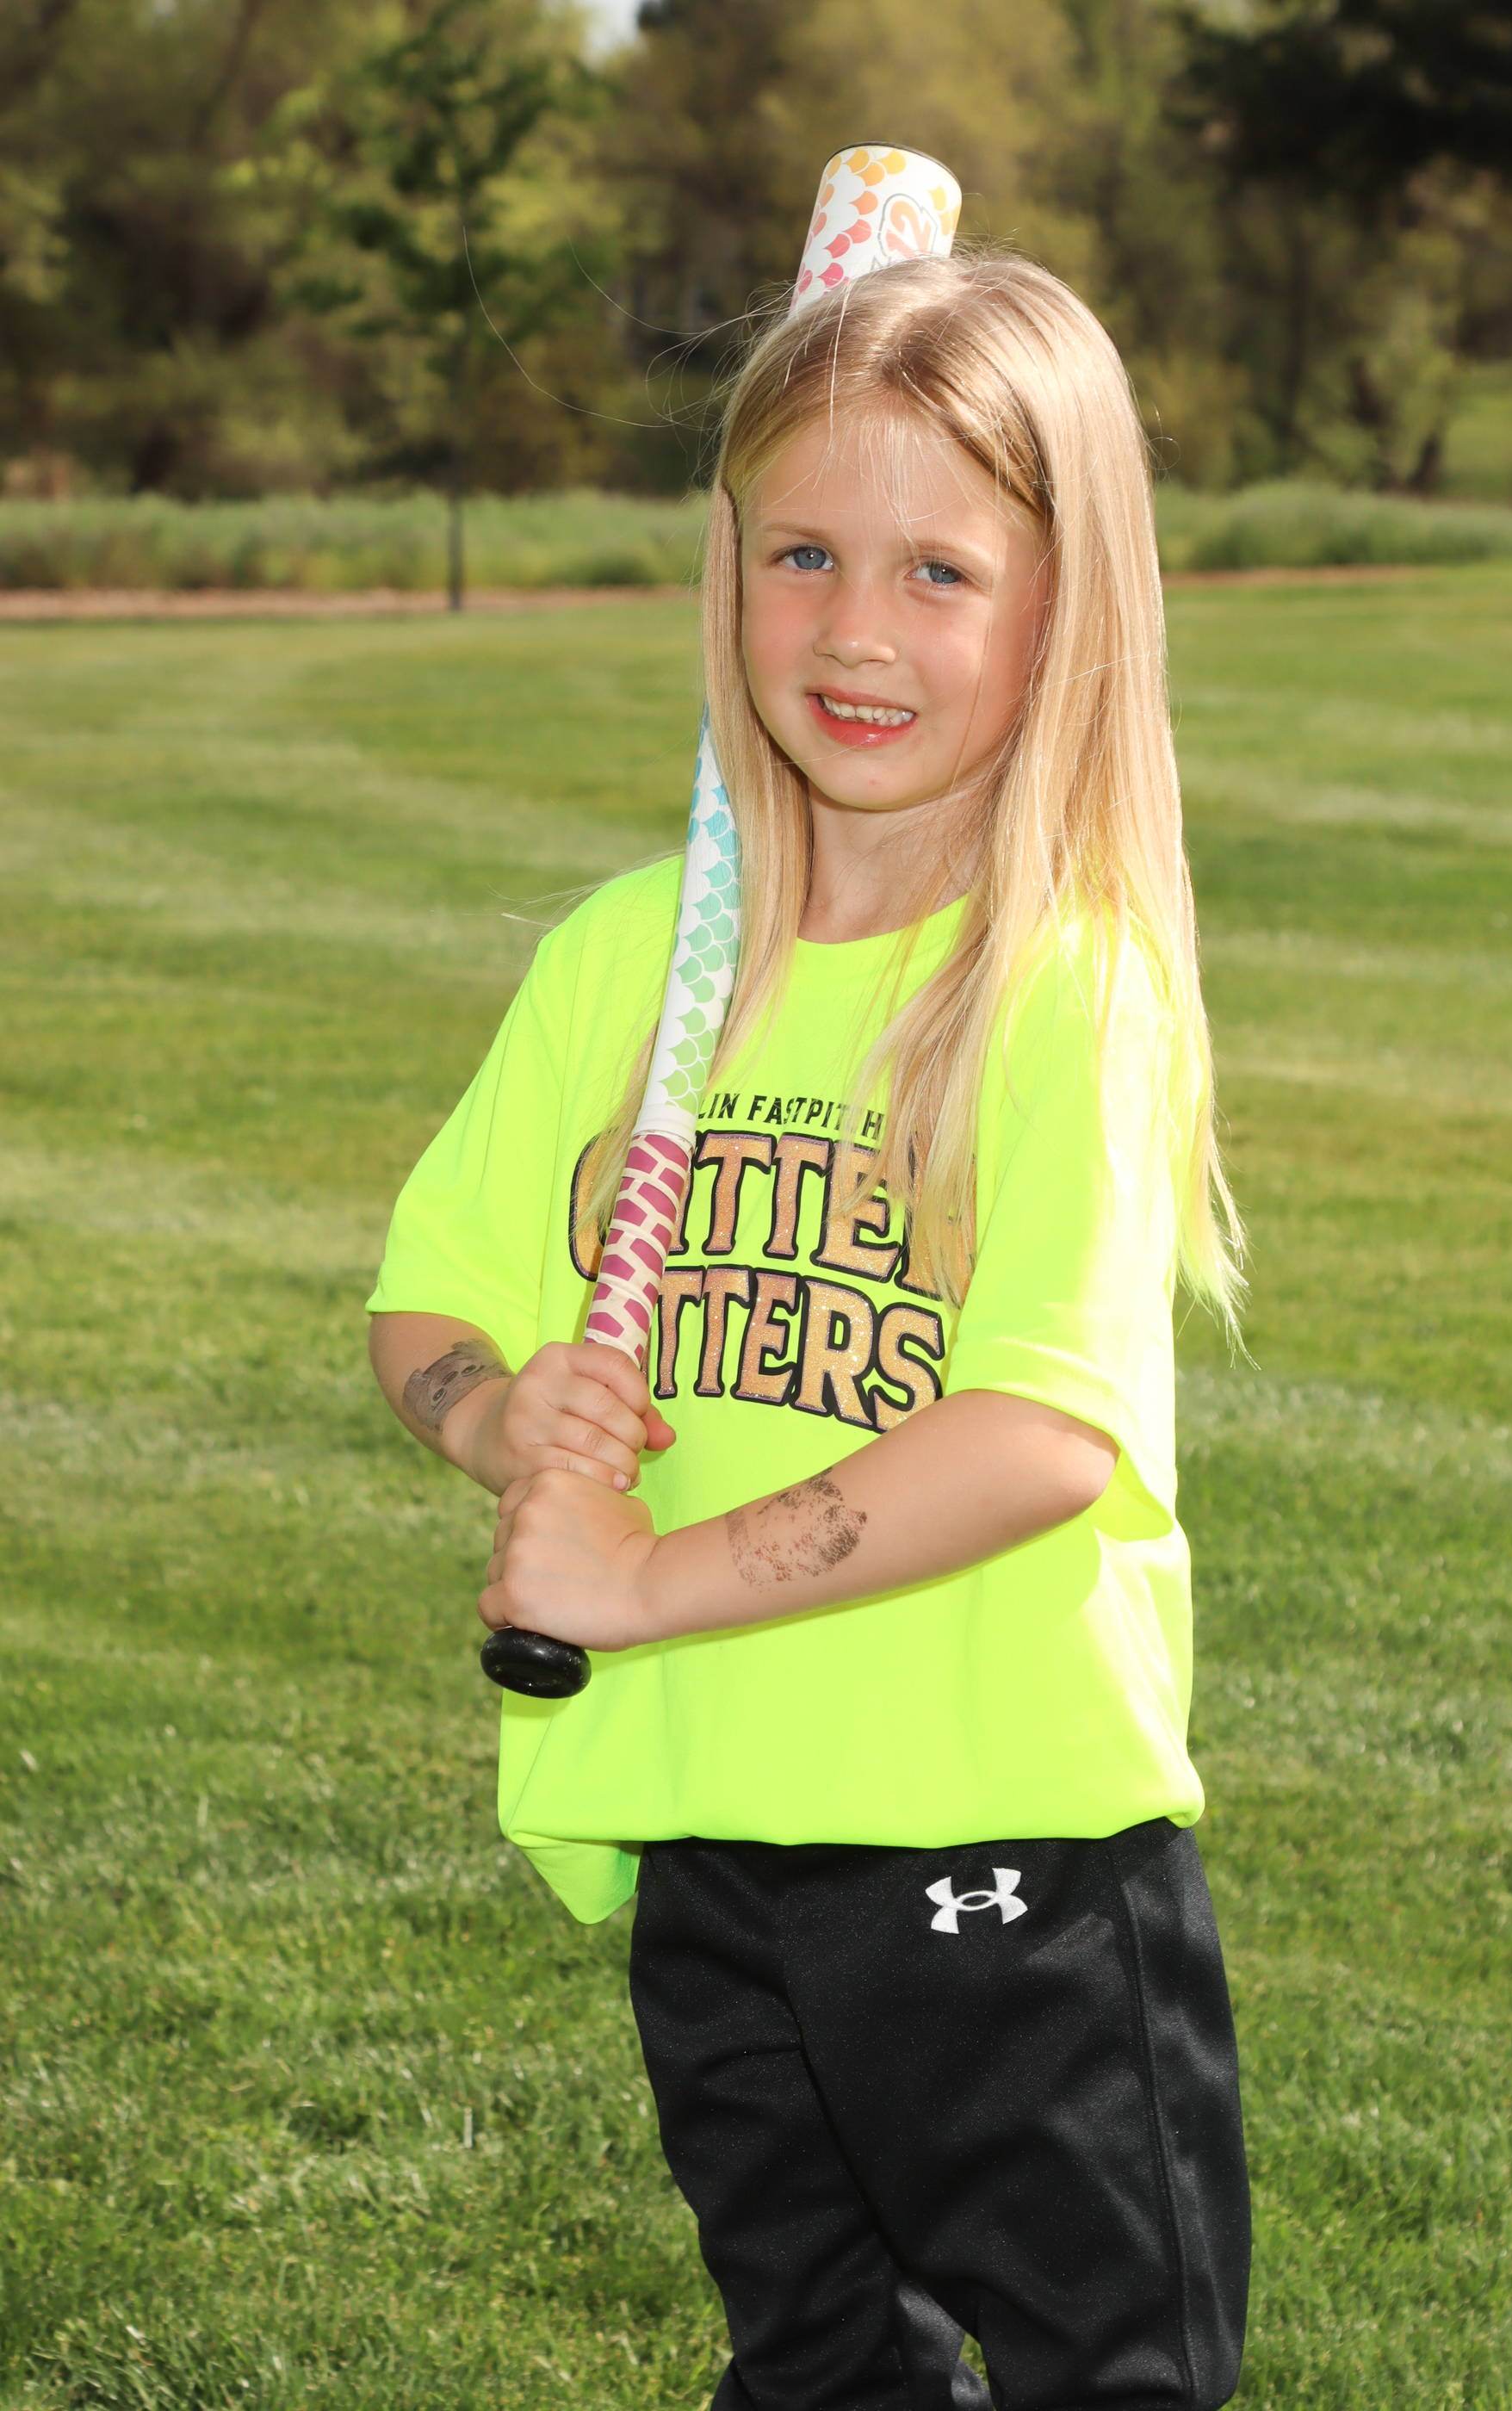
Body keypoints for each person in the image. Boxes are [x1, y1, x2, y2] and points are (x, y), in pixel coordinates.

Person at [367, 251, 1251, 2411]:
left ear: (1065, 616)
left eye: (940, 571)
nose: (857, 627)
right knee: (816, 2363)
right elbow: (429, 1295)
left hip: (999, 1844)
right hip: (717, 1834)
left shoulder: (1063, 987)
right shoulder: (627, 959)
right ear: (728, 565)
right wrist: (496, 1419)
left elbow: (1036, 1431)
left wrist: (648, 1573)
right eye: (804, 553)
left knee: (1104, 2369)